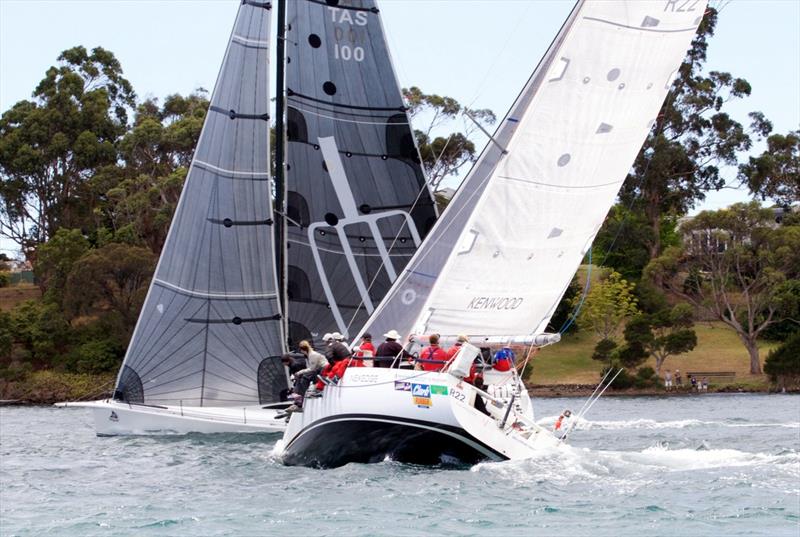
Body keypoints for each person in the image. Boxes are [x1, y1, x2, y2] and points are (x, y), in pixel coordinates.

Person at [287, 340, 328, 413]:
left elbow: (312, 369)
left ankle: (298, 400)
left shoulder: (312, 355)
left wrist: (300, 372)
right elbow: (310, 368)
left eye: (301, 350)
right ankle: (298, 399)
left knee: (304, 379)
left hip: (323, 371)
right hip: (318, 371)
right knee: (302, 377)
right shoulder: (308, 355)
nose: (301, 352)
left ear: (303, 349)